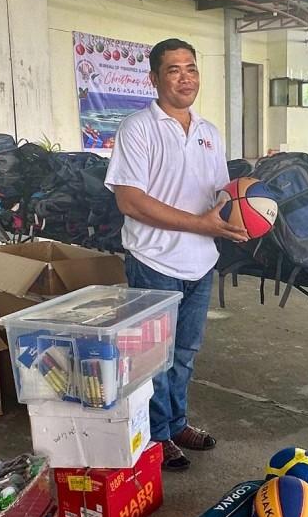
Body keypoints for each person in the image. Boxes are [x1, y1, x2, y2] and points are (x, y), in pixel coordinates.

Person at [105, 38, 248, 472]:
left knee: (184, 352)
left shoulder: (209, 132)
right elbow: (129, 201)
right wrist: (201, 224)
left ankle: (176, 422)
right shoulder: (138, 129)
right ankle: (156, 434)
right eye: (174, 70)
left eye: (192, 68)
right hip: (154, 262)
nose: (186, 78)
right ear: (154, 79)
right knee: (154, 358)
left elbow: (217, 195)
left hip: (200, 262)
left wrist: (245, 207)